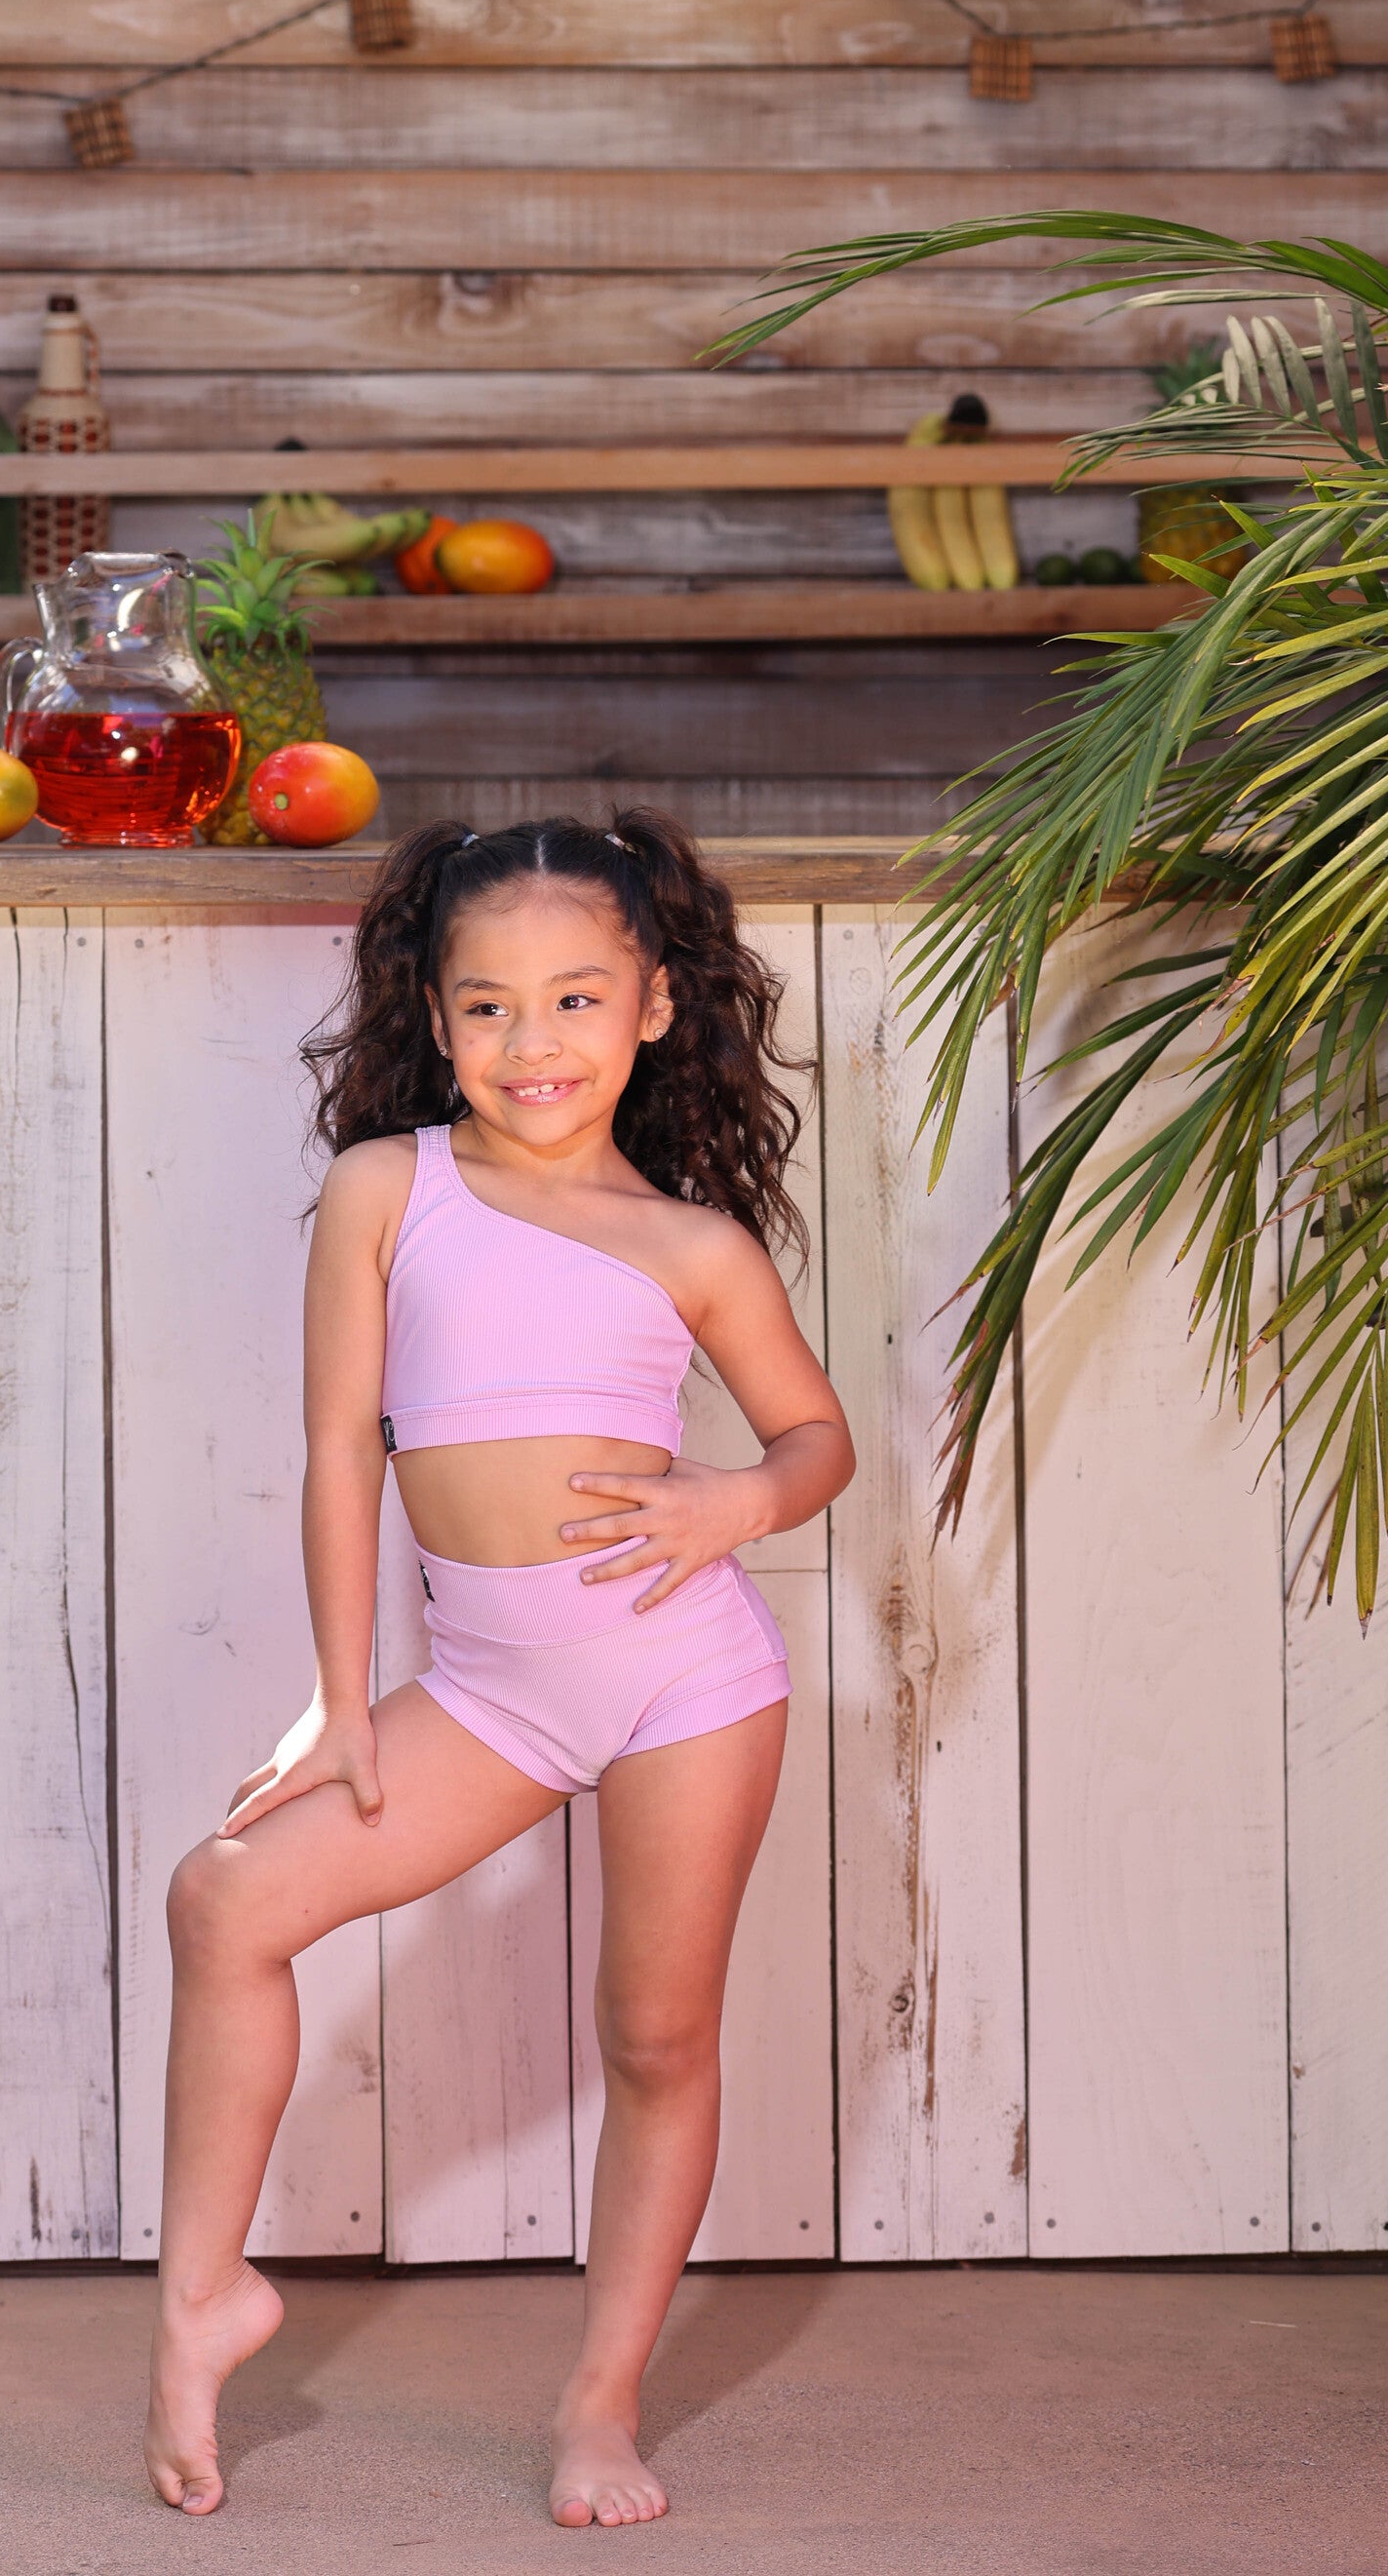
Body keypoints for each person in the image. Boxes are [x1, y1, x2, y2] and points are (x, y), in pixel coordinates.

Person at [143, 810, 854, 2527]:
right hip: (486, 1691)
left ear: (658, 1009)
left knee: (656, 2039)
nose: (532, 1048)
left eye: (575, 1000)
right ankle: (200, 2298)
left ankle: (600, 2407)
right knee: (226, 1901)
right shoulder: (390, 1188)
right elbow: (338, 1449)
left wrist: (736, 1500)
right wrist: (336, 1690)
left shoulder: (695, 1247)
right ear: (435, 1014)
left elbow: (817, 1437)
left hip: (686, 1678)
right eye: (488, 1009)